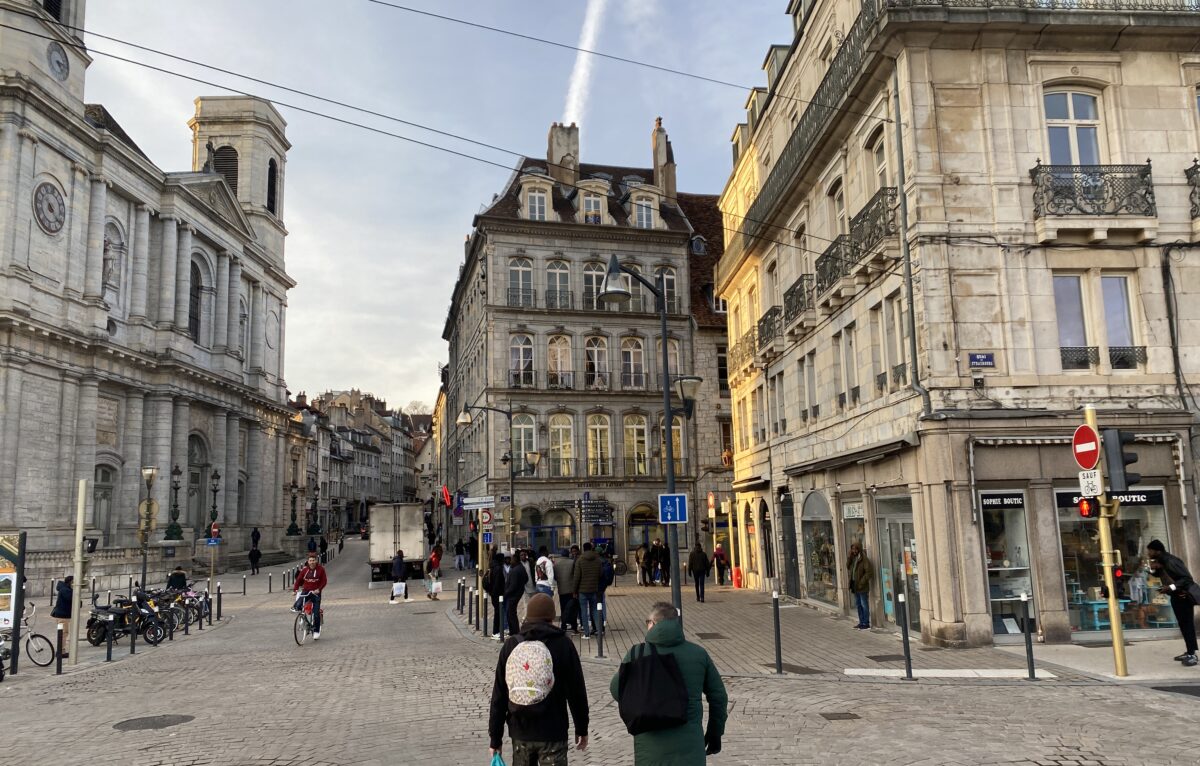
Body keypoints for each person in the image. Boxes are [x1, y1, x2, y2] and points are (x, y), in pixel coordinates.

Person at [610, 602, 728, 764]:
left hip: (650, 748)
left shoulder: (637, 653)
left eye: (647, 622)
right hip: (690, 749)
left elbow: (617, 690)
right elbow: (718, 697)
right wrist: (715, 733)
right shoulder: (698, 654)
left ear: (653, 623)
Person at [488, 593, 589, 766]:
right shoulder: (563, 644)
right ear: (551, 618)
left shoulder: (512, 645)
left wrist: (495, 738)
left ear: (528, 617)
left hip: (521, 732)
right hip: (553, 731)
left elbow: (499, 695)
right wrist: (581, 727)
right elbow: (576, 691)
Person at [1147, 539, 1200, 666]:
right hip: (1177, 596)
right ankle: (1189, 651)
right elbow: (1164, 575)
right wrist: (1153, 570)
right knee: (1183, 624)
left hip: (1183, 597)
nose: (1148, 553)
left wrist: (1170, 588)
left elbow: (1187, 579)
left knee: (1187, 625)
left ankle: (1193, 655)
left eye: (1150, 551)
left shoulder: (1171, 561)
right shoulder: (1162, 561)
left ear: (1157, 551)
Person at [292, 552, 328, 640]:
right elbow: (298, 580)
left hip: (316, 593)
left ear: (316, 561)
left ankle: (316, 630)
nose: (311, 562)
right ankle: (302, 618)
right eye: (310, 560)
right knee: (298, 604)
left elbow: (324, 581)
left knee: (316, 613)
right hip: (306, 591)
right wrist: (295, 590)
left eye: (313, 560)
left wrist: (318, 589)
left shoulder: (321, 569)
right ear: (308, 561)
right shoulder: (305, 570)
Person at [571, 542, 602, 639]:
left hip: (582, 590)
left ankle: (587, 634)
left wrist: (574, 591)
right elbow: (600, 574)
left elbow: (576, 577)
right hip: (594, 589)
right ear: (591, 548)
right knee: (595, 611)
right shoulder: (597, 559)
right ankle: (599, 631)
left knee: (584, 611)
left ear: (583, 549)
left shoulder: (580, 560)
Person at [847, 542, 875, 630]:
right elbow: (847, 567)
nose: (853, 551)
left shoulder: (864, 559)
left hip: (862, 586)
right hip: (855, 585)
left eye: (855, 549)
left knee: (864, 605)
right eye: (852, 549)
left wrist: (861, 582)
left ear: (859, 549)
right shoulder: (853, 558)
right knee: (858, 604)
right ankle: (861, 622)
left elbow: (869, 572)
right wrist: (849, 557)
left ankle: (866, 623)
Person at [504, 551, 529, 639]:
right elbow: (526, 578)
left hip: (513, 595)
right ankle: (513, 631)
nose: (510, 561)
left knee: (511, 613)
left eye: (512, 560)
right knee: (511, 612)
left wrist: (505, 594)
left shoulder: (515, 570)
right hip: (518, 592)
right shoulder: (521, 567)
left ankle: (514, 631)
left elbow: (513, 586)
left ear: (515, 560)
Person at [555, 545, 579, 634]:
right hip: (571, 590)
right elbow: (575, 575)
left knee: (563, 609)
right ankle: (574, 626)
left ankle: (563, 626)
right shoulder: (572, 562)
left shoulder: (556, 564)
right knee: (573, 609)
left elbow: (555, 577)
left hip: (561, 590)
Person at [51, 575, 73, 657]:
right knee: (64, 633)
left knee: (63, 633)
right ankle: (61, 652)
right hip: (63, 615)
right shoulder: (65, 590)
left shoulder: (64, 589)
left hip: (62, 614)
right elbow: (72, 599)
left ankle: (61, 651)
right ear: (70, 582)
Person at [487, 550, 507, 639]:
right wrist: (500, 594)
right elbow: (498, 583)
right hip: (497, 595)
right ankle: (496, 632)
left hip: (494, 594)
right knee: (498, 613)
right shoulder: (498, 568)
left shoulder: (493, 566)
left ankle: (497, 631)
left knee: (497, 613)